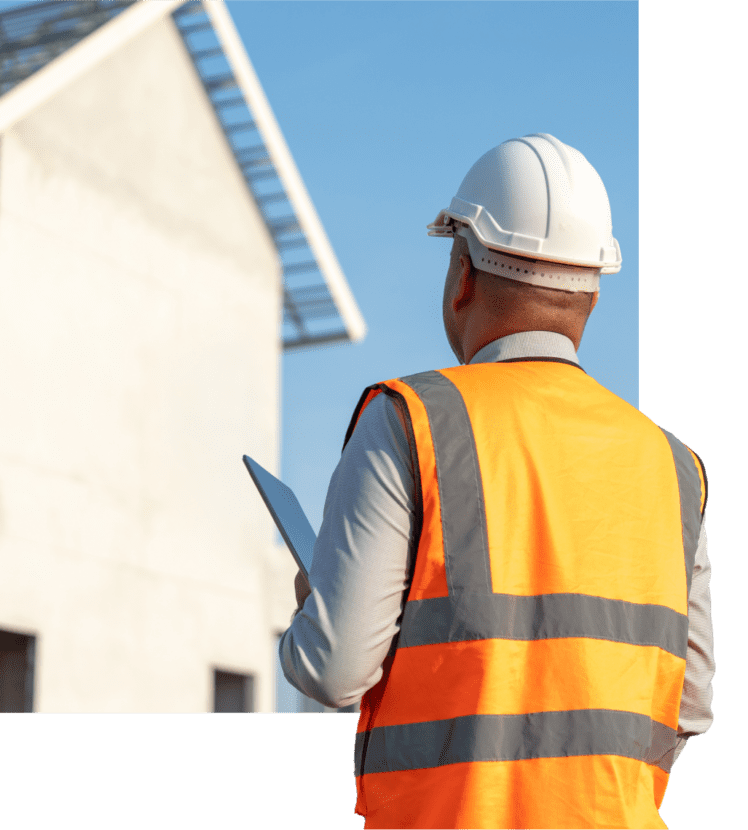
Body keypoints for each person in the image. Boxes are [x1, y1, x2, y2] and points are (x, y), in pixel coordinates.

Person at [279, 134, 715, 829]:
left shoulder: (411, 420)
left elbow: (331, 671)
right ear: (592, 296)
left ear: (462, 275)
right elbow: (686, 706)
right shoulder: (671, 464)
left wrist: (315, 606)